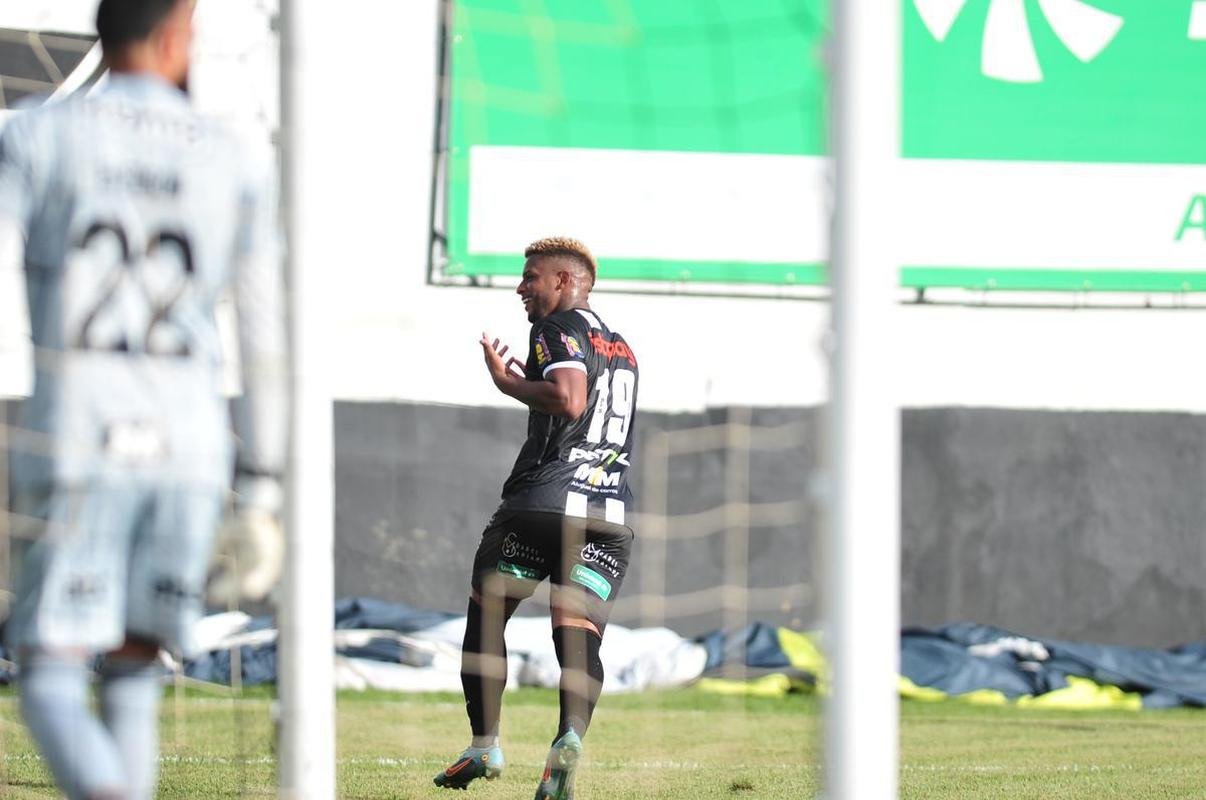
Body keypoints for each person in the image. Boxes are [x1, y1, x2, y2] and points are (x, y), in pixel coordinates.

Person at [0, 0, 286, 797]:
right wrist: (262, 483)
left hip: (78, 438)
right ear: (178, 32)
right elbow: (265, 333)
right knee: (133, 667)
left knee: (48, 669)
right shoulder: (236, 158)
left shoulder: (36, 134)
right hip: (192, 453)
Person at [435, 237, 639, 800]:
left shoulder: (556, 328)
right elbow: (573, 395)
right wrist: (536, 382)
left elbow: (569, 399)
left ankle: (485, 744)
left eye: (531, 277)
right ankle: (568, 738)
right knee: (578, 635)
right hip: (607, 518)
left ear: (565, 282)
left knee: (487, 615)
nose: (521, 288)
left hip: (541, 509)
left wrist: (509, 383)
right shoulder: (621, 348)